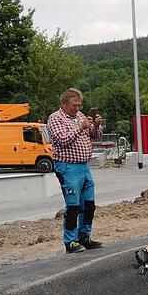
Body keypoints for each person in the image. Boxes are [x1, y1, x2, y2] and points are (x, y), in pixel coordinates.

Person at [47, 88, 105, 254]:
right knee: (73, 205)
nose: (78, 108)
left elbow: (94, 136)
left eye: (80, 105)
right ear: (64, 103)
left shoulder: (80, 116)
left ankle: (84, 237)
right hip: (67, 166)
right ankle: (70, 241)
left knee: (89, 204)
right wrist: (80, 128)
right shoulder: (55, 118)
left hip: (84, 165)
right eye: (74, 105)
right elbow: (62, 140)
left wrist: (97, 125)